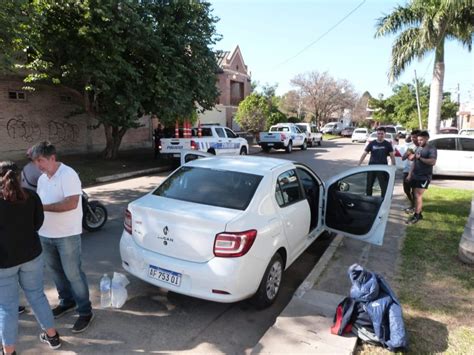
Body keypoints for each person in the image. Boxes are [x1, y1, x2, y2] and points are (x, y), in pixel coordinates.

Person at [31, 142, 94, 333]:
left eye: (40, 160)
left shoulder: (68, 175)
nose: (38, 166)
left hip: (67, 234)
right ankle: (67, 302)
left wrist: (41, 208)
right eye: (35, 162)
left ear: (52, 157)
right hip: (45, 234)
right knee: (56, 273)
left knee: (73, 274)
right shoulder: (42, 179)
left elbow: (71, 204)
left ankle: (85, 311)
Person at [0, 161, 61, 354]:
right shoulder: (32, 196)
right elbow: (37, 223)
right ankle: (52, 336)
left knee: (7, 308)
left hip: (4, 262)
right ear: (20, 176)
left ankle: (8, 352)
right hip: (31, 256)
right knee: (37, 296)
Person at [406, 131, 437, 224]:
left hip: (424, 176)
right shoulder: (418, 148)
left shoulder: (431, 149)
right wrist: (409, 174)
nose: (419, 141)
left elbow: (432, 162)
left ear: (427, 138)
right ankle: (418, 213)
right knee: (414, 194)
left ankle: (417, 216)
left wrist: (420, 158)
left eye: (421, 140)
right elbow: (414, 162)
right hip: (415, 175)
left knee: (418, 195)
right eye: (418, 140)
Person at [357, 127, 396, 197]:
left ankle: (383, 201)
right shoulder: (372, 143)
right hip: (371, 167)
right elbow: (364, 154)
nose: (380, 135)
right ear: (376, 134)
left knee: (383, 186)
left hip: (383, 168)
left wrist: (394, 166)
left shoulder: (387, 144)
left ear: (385, 134)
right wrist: (359, 164)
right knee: (369, 185)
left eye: (382, 134)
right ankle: (368, 200)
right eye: (378, 134)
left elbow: (392, 156)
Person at [400, 130, 420, 213]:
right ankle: (412, 204)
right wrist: (407, 153)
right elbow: (403, 157)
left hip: (416, 172)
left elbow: (413, 158)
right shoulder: (411, 146)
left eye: (415, 137)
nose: (413, 139)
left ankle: (414, 207)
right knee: (406, 190)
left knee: (414, 191)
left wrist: (413, 156)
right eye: (412, 137)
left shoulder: (421, 147)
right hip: (406, 170)